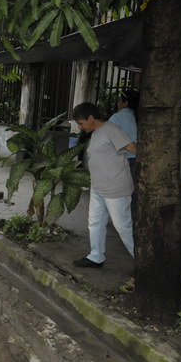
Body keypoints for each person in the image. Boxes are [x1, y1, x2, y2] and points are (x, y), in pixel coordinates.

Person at [71, 102, 137, 268]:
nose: (80, 127)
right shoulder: (96, 132)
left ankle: (143, 261)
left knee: (123, 227)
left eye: (81, 123)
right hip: (98, 187)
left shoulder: (112, 129)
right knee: (95, 223)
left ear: (91, 118)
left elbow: (133, 147)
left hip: (115, 188)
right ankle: (96, 256)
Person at [108, 88, 138, 178]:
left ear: (125, 103)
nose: (118, 104)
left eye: (119, 101)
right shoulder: (141, 117)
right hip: (138, 158)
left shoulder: (116, 118)